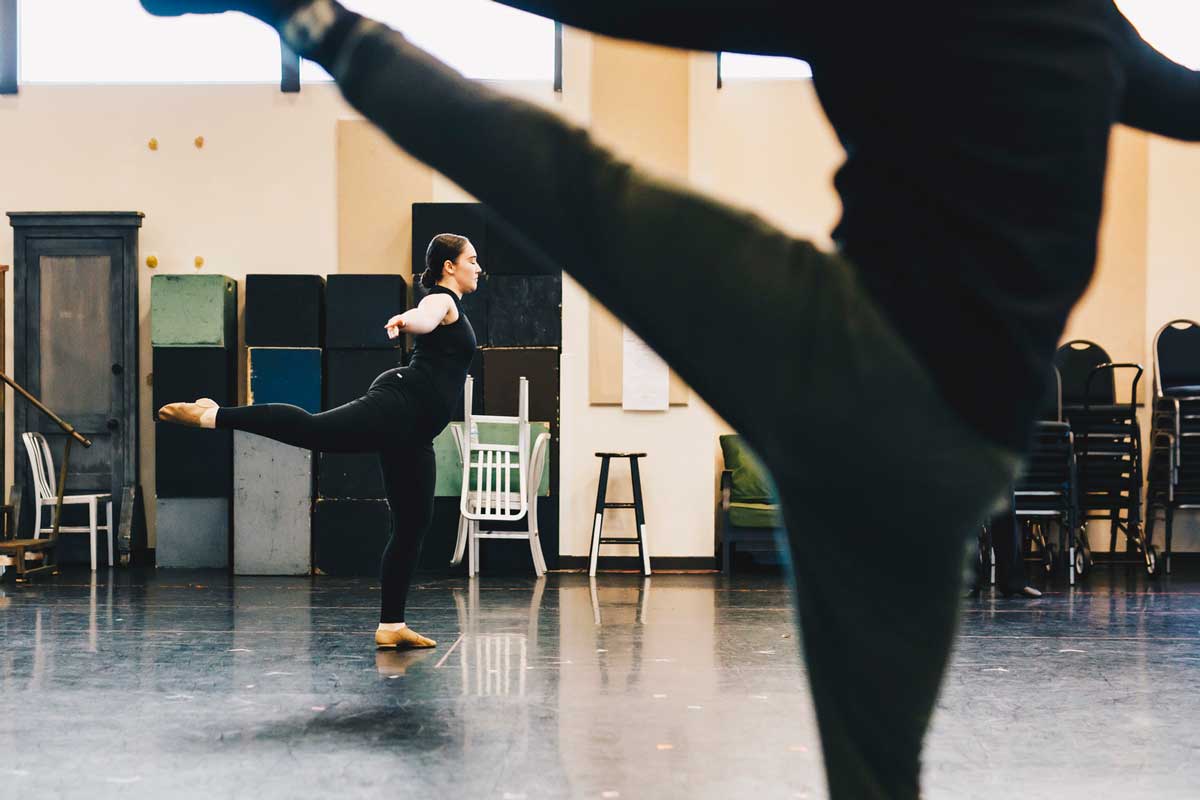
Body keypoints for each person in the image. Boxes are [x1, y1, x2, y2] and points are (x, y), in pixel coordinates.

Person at [140, 1, 1200, 796]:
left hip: (842, 357)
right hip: (966, 454)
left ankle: (311, 18)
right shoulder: (1091, 25)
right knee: (878, 774)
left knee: (573, 187)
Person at [158, 233, 482, 650]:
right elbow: (426, 314)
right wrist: (406, 320)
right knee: (314, 431)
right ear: (448, 267)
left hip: (416, 431)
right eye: (471, 260)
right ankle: (213, 414)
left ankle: (391, 625)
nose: (478, 267)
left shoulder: (455, 307)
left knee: (412, 524)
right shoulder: (444, 300)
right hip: (402, 402)